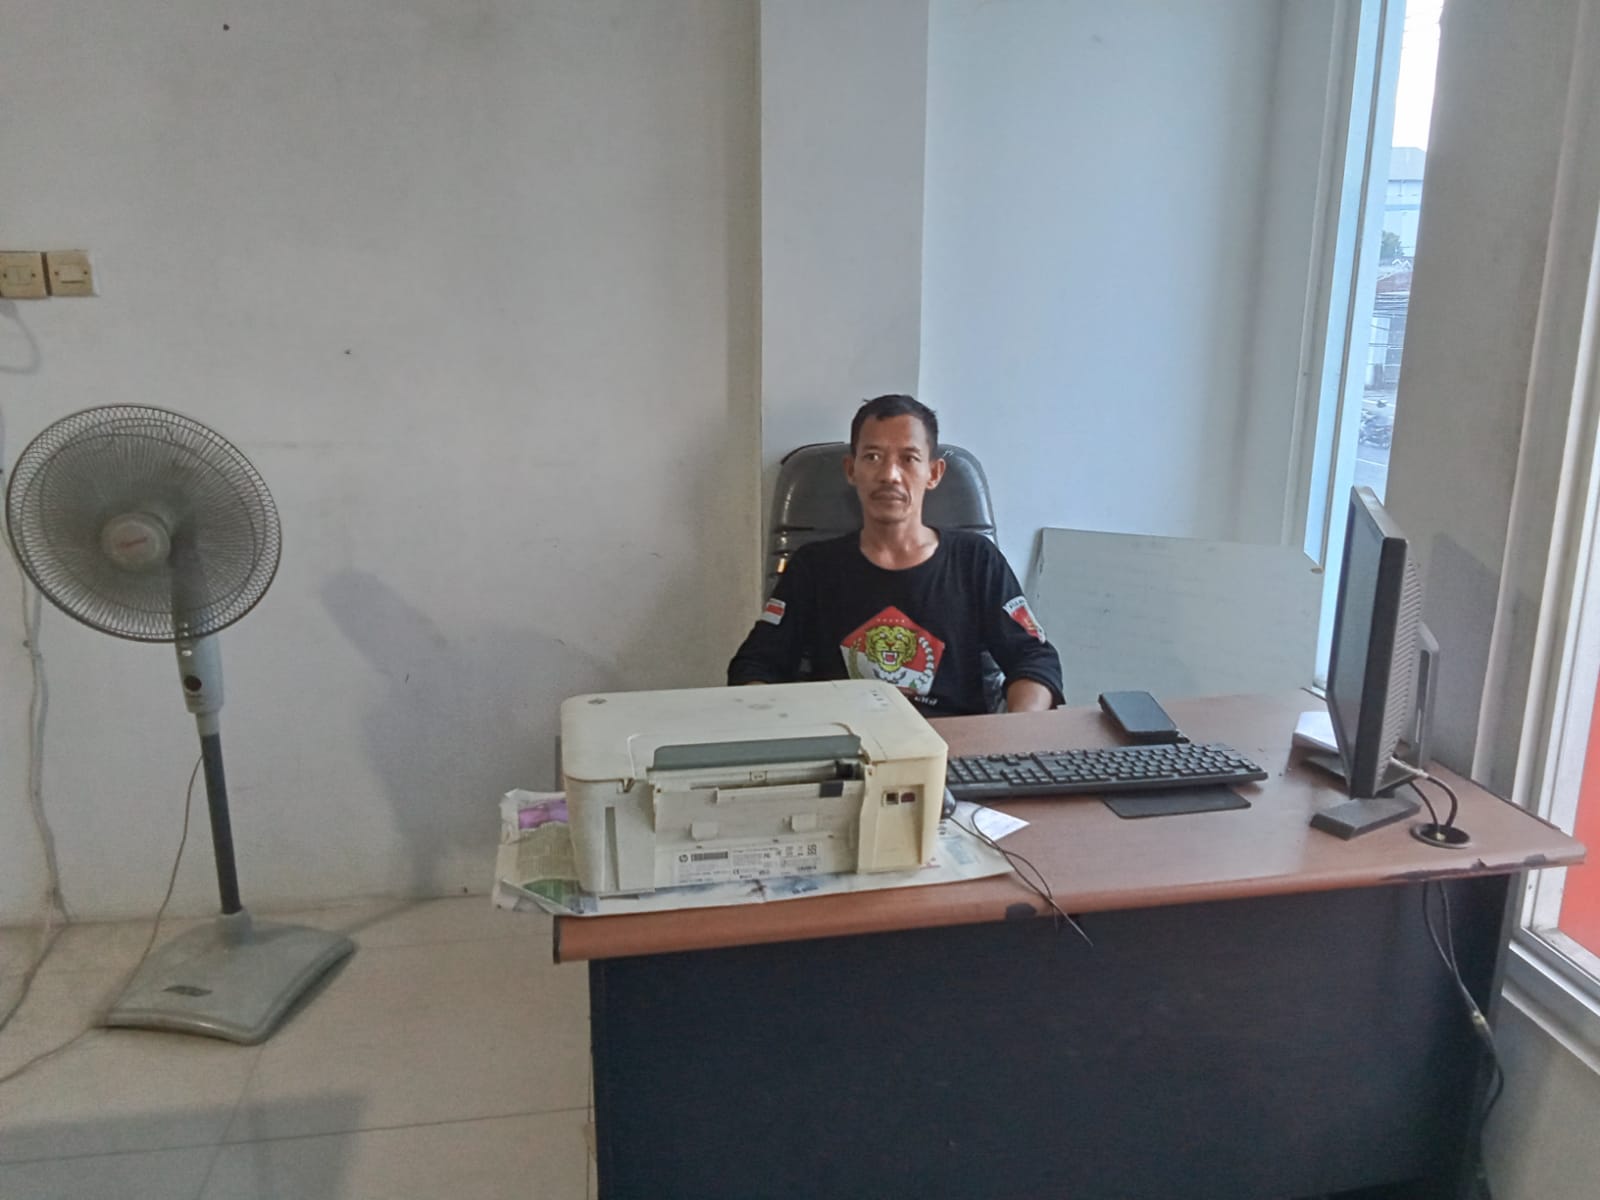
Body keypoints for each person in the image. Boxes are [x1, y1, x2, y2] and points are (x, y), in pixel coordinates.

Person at [727, 394, 1064, 716]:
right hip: (848, 743)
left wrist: (1017, 731)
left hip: (955, 742)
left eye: (909, 458)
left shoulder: (975, 560)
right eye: (873, 457)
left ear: (934, 473)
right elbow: (756, 664)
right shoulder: (814, 567)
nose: (889, 475)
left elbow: (1034, 659)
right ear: (851, 469)